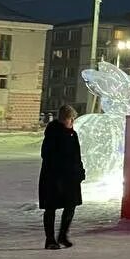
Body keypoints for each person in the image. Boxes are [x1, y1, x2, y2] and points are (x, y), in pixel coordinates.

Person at [39, 104, 85, 250]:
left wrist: (80, 171)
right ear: (65, 119)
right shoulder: (53, 133)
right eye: (71, 119)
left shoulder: (72, 134)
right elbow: (46, 154)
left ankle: (63, 236)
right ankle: (50, 239)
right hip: (54, 177)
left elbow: (77, 155)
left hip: (70, 178)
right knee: (51, 207)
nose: (73, 122)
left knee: (70, 205)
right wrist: (61, 168)